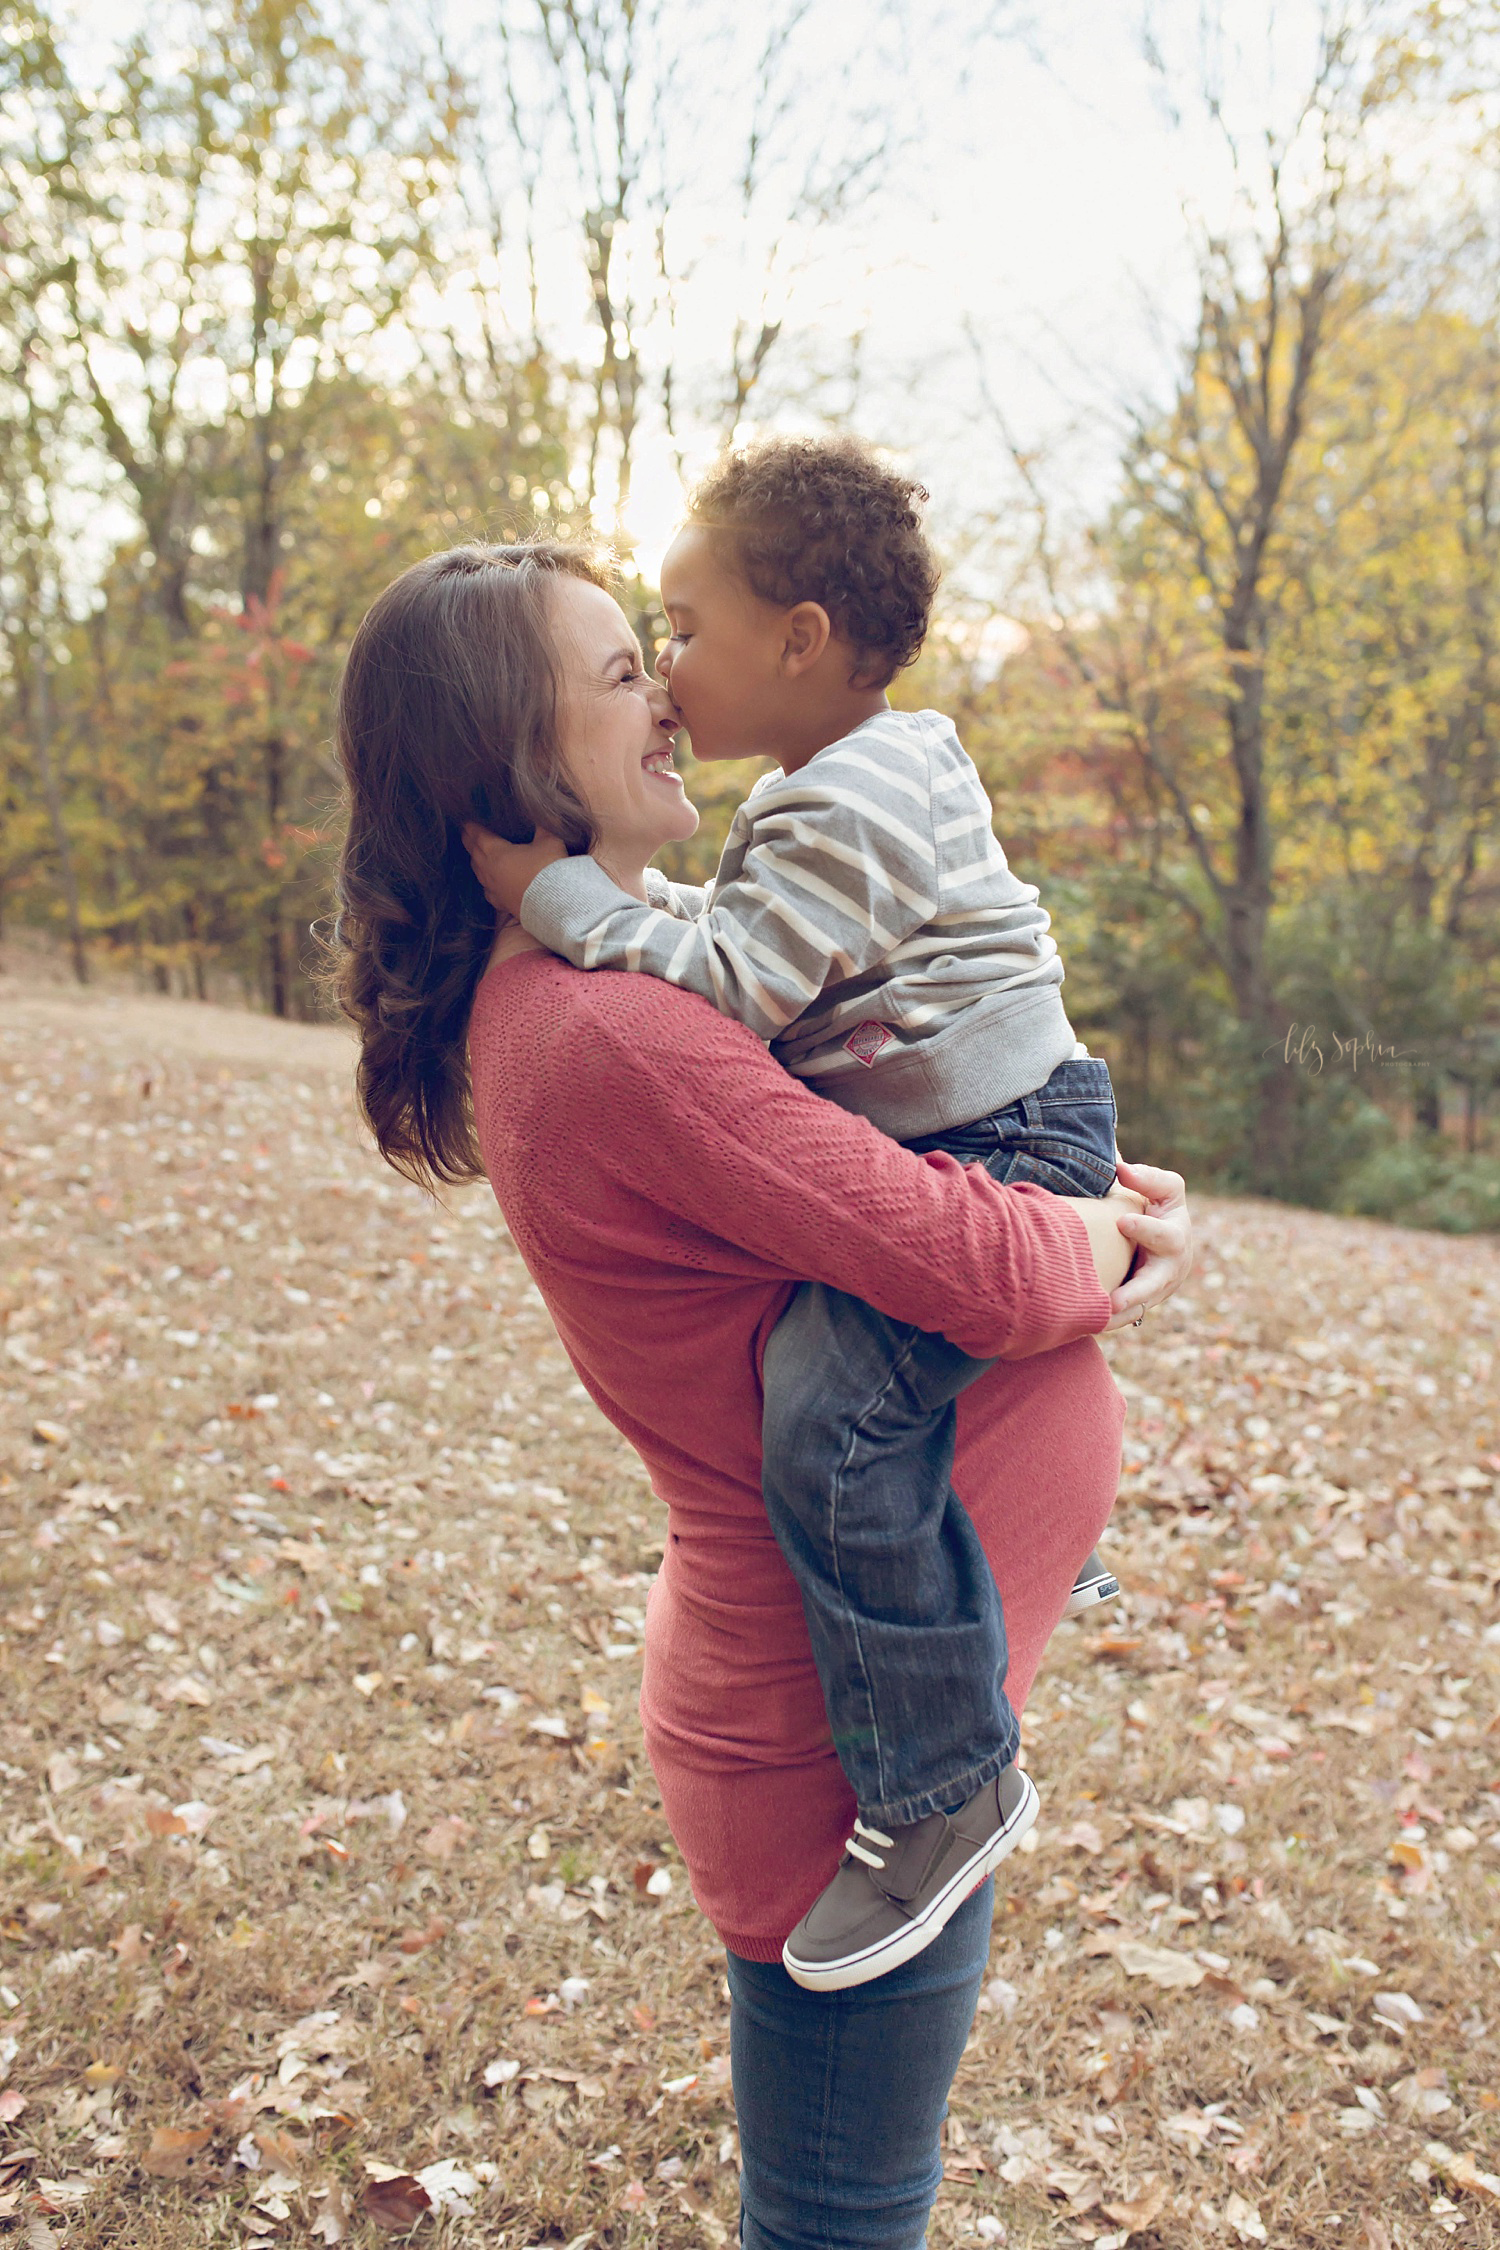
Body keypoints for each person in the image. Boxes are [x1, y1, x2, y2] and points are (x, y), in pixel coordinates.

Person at [328, 538, 1192, 2250]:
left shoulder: (605, 996)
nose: (665, 692)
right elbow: (999, 1271)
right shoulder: (619, 1035)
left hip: (847, 1675)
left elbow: (887, 1186)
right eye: (616, 671)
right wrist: (1112, 1233)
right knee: (841, 2220)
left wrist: (1099, 1206)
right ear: (503, 752)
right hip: (837, 1738)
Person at [463, 436, 1125, 1991]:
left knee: (833, 1415)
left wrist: (554, 894)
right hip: (991, 1129)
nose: (673, 681)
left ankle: (946, 1779)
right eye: (639, 656)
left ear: (800, 639)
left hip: (1003, 1131)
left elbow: (733, 981)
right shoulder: (828, 793)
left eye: (677, 636)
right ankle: (962, 1693)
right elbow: (729, 955)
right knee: (839, 1398)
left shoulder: (845, 798)